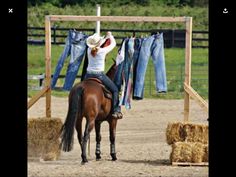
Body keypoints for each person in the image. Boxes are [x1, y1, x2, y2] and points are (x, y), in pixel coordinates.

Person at [84, 31, 122, 119]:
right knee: (115, 90)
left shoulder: (89, 50)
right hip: (99, 75)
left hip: (88, 75)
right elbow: (113, 44)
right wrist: (110, 36)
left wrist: (104, 38)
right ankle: (116, 110)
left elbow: (96, 46)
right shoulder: (102, 51)